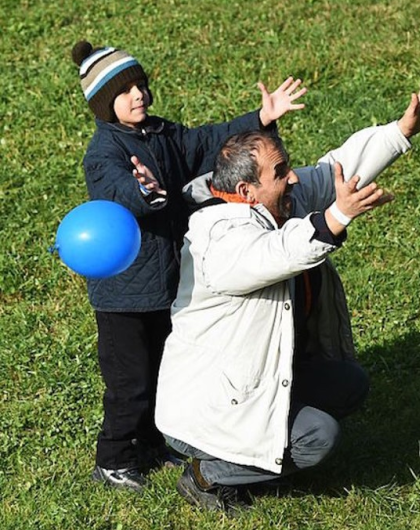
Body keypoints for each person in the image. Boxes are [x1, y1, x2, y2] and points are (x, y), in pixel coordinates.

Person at [154, 67, 420, 513]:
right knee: (319, 437)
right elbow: (275, 254)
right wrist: (336, 217)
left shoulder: (279, 197)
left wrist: (403, 129)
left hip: (251, 380)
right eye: (281, 172)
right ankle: (206, 474)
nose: (293, 178)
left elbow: (335, 168)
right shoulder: (216, 237)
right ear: (247, 190)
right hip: (208, 407)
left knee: (348, 386)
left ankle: (254, 455)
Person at [71, 40, 307, 491]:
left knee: (164, 367)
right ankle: (115, 456)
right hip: (123, 294)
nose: (138, 94)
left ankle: (153, 440)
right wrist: (143, 192)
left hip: (166, 284)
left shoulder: (161, 133)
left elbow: (204, 142)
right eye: (125, 91)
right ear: (104, 105)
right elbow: (117, 193)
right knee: (130, 380)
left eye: (140, 84)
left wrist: (259, 120)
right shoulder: (104, 153)